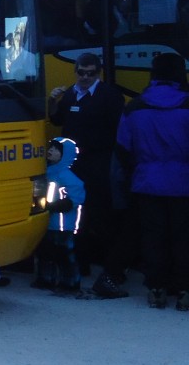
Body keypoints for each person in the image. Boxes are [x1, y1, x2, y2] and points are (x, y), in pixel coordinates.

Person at [114, 53, 189, 310]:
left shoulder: (135, 106)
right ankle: (184, 290)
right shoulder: (187, 103)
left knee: (153, 237)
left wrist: (137, 170)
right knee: (183, 237)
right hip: (184, 184)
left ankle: (156, 288)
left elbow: (123, 147)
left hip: (146, 182)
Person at [47, 52, 125, 283]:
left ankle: (113, 268)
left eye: (90, 73)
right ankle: (81, 263)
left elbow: (118, 129)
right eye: (81, 72)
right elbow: (57, 120)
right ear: (76, 71)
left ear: (98, 74)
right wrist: (52, 102)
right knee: (76, 213)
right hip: (74, 164)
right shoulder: (70, 94)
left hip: (99, 162)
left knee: (101, 213)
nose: (85, 77)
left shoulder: (110, 95)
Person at [33, 137, 86, 294]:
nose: (51, 151)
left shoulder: (67, 176)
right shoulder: (47, 172)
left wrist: (61, 204)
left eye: (56, 149)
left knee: (64, 254)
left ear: (65, 155)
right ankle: (45, 278)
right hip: (48, 221)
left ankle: (70, 282)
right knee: (45, 252)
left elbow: (77, 196)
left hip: (63, 224)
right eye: (50, 147)